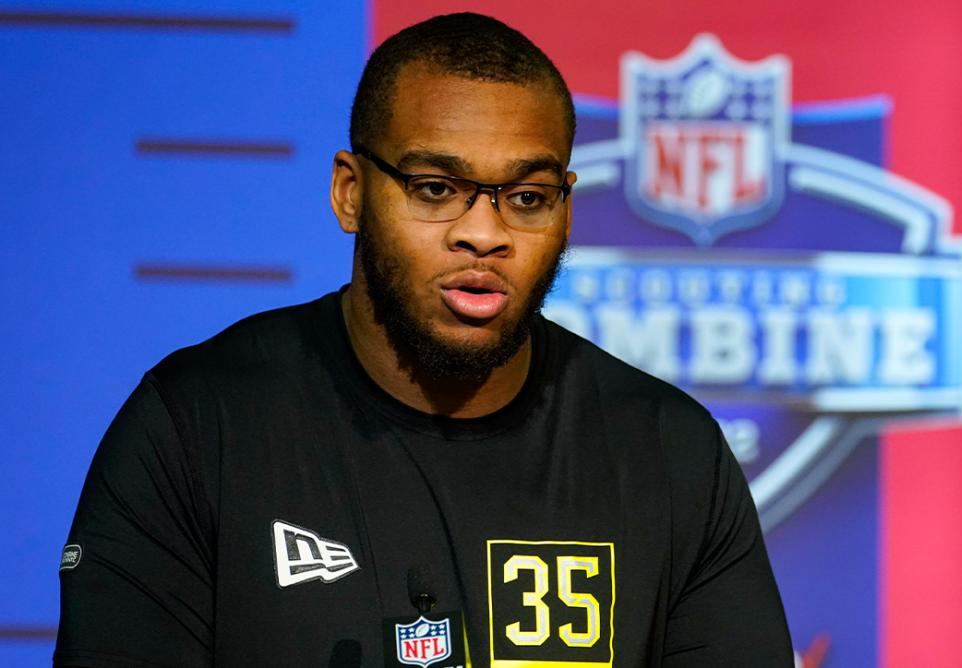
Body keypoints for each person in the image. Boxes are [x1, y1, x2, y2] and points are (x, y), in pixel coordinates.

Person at [55, 13, 792, 667]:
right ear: (351, 192)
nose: (484, 233)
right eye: (436, 188)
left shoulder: (670, 454)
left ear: (565, 214)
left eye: (527, 198)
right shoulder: (196, 427)